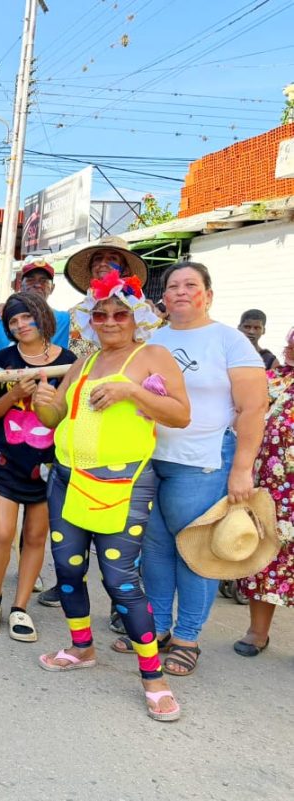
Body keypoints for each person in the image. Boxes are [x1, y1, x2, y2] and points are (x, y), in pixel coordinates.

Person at [34, 269, 189, 721]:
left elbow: (181, 415)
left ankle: (153, 678)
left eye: (120, 312)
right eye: (100, 313)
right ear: (90, 320)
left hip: (123, 483)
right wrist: (41, 396)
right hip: (66, 477)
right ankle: (81, 648)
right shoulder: (83, 361)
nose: (110, 320)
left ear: (136, 316)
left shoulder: (153, 354)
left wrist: (131, 390)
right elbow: (54, 416)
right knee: (67, 569)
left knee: (121, 580)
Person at [132, 262, 268, 677]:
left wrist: (242, 468)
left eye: (191, 285)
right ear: (163, 297)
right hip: (151, 461)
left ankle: (187, 638)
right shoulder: (151, 340)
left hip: (204, 463)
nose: (180, 292)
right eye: (172, 286)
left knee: (197, 553)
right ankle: (156, 629)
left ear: (208, 294)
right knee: (154, 551)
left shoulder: (230, 341)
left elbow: (253, 408)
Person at [0, 293, 76, 641]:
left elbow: (72, 415)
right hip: (5, 459)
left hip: (50, 464)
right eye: (13, 322)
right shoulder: (2, 360)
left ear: (41, 317)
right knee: (1, 533)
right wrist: (14, 394)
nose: (20, 326)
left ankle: (19, 608)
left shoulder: (69, 362)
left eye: (26, 318)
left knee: (34, 536)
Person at [235, 327, 294, 656]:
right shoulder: (272, 379)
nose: (288, 346)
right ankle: (258, 632)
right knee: (264, 557)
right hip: (269, 491)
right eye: (289, 340)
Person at [64, 236, 152, 359]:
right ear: (91, 269)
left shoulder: (140, 312)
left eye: (112, 259)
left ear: (125, 270)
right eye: (98, 259)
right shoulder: (75, 314)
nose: (103, 263)